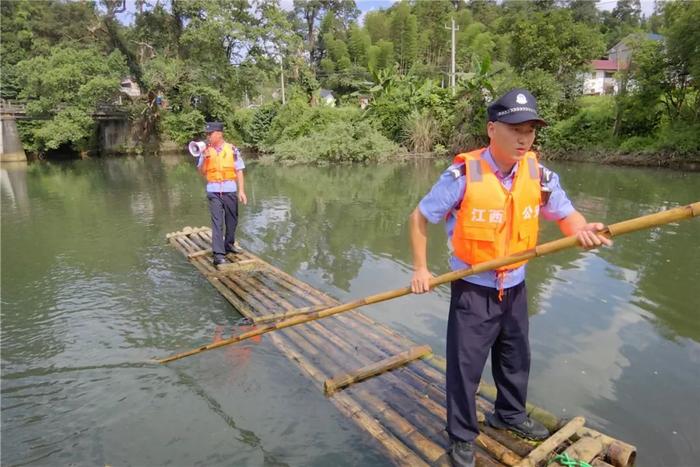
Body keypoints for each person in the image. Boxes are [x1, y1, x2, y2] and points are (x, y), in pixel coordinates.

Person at [408, 89, 612, 467]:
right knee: (465, 368)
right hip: (473, 289)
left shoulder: (540, 174)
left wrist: (583, 230)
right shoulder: (463, 174)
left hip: (515, 285)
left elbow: (566, 215)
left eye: (531, 129)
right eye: (516, 128)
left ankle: (510, 414)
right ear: (491, 129)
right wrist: (421, 268)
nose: (524, 138)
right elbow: (419, 217)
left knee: (516, 357)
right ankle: (462, 436)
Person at [197, 121, 248, 267]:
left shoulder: (232, 150)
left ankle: (229, 244)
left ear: (219, 134)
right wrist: (204, 158)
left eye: (210, 133)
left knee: (232, 220)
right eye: (206, 134)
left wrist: (241, 191)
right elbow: (201, 172)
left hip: (230, 190)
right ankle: (218, 255)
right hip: (213, 191)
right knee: (217, 223)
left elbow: (239, 170)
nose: (208, 136)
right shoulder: (205, 151)